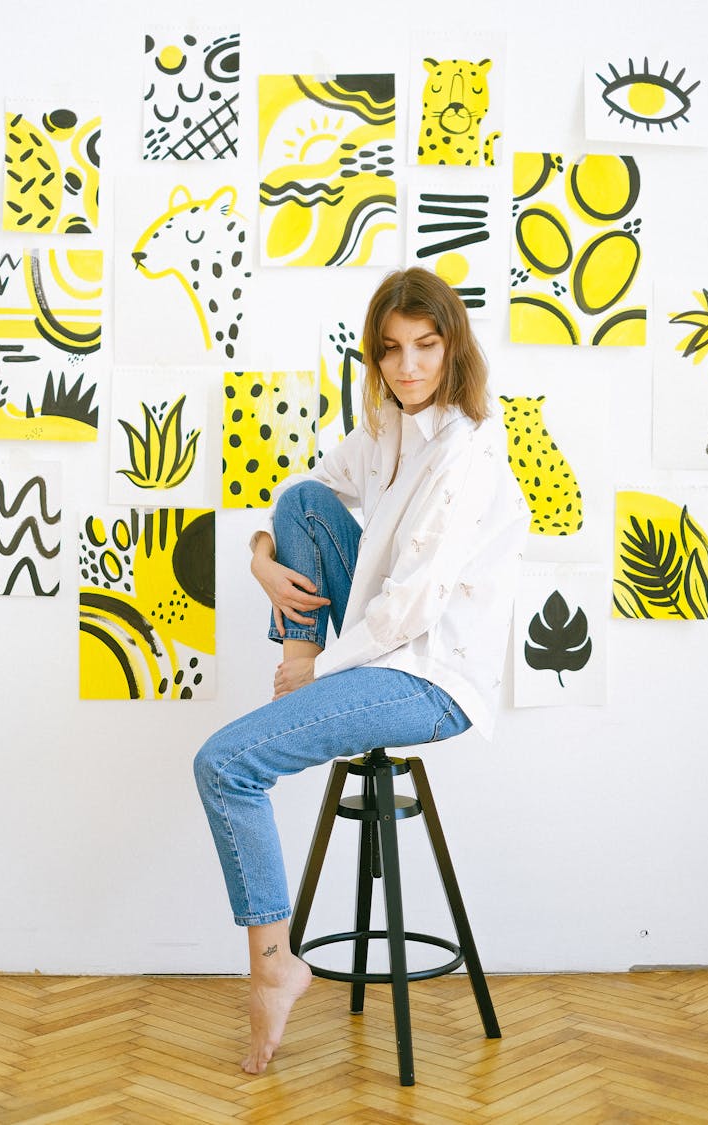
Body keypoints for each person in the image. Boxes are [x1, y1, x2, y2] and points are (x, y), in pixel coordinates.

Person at [194, 267, 529, 1075]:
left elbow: (411, 609)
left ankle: (273, 962)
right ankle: (296, 654)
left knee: (225, 763)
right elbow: (305, 489)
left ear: (454, 346)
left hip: (430, 679)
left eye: (425, 346)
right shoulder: (388, 426)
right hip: (372, 651)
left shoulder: (469, 455)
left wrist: (315, 677)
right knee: (302, 506)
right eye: (390, 351)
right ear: (375, 358)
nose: (408, 366)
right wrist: (262, 562)